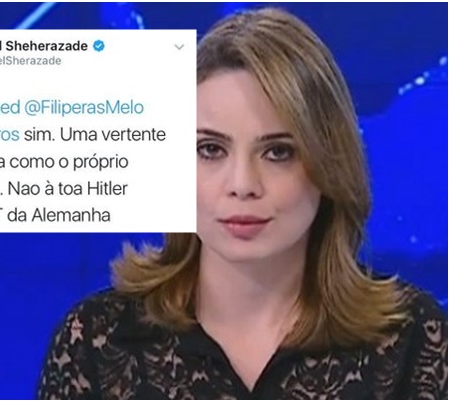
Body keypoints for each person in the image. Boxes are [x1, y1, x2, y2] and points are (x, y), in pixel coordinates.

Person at [36, 7, 447, 399]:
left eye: (278, 152)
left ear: (329, 164)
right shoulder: (94, 343)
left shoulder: (413, 341)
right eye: (211, 149)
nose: (243, 185)